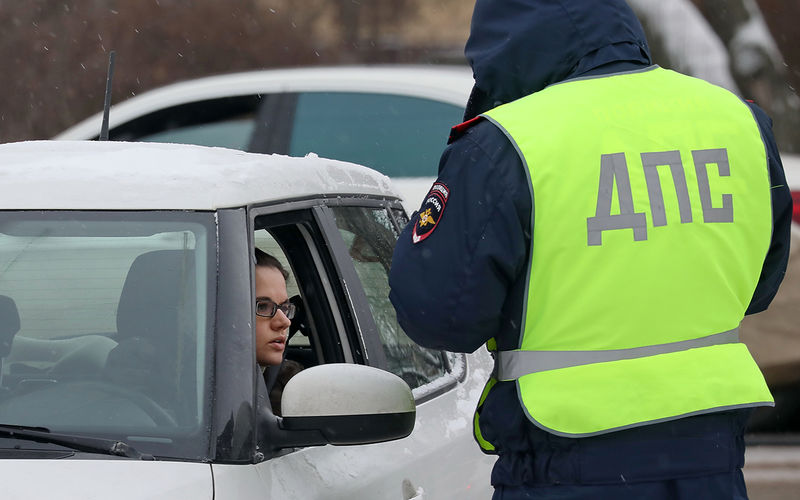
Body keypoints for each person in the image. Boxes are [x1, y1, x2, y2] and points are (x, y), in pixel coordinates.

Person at [388, 1, 793, 498]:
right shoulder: (739, 121)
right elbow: (758, 284)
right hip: (711, 455)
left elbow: (438, 313)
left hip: (570, 457)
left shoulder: (508, 142)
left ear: (503, 46)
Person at [254, 248, 302, 415]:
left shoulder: (293, 387)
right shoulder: (174, 386)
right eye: (263, 306)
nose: (284, 321)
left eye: (285, 308)